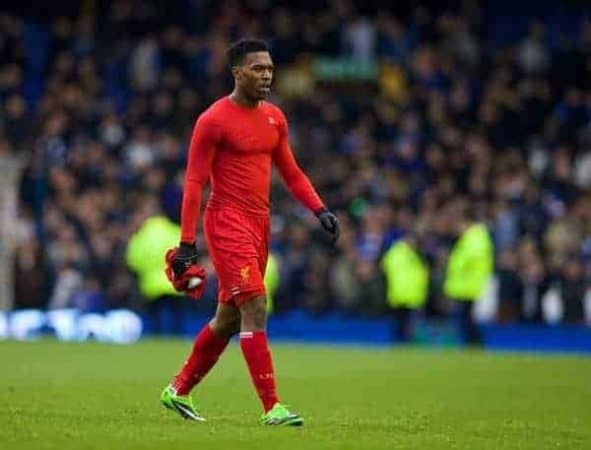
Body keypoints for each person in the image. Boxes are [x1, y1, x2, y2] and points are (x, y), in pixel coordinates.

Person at [160, 39, 340, 426]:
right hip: (227, 221)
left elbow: (290, 172)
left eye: (270, 69)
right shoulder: (213, 120)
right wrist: (187, 244)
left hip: (260, 223)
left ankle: (177, 390)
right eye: (258, 69)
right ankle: (272, 407)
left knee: (227, 319)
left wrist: (319, 208)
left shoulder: (275, 117)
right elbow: (194, 183)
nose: (267, 75)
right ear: (237, 72)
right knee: (255, 305)